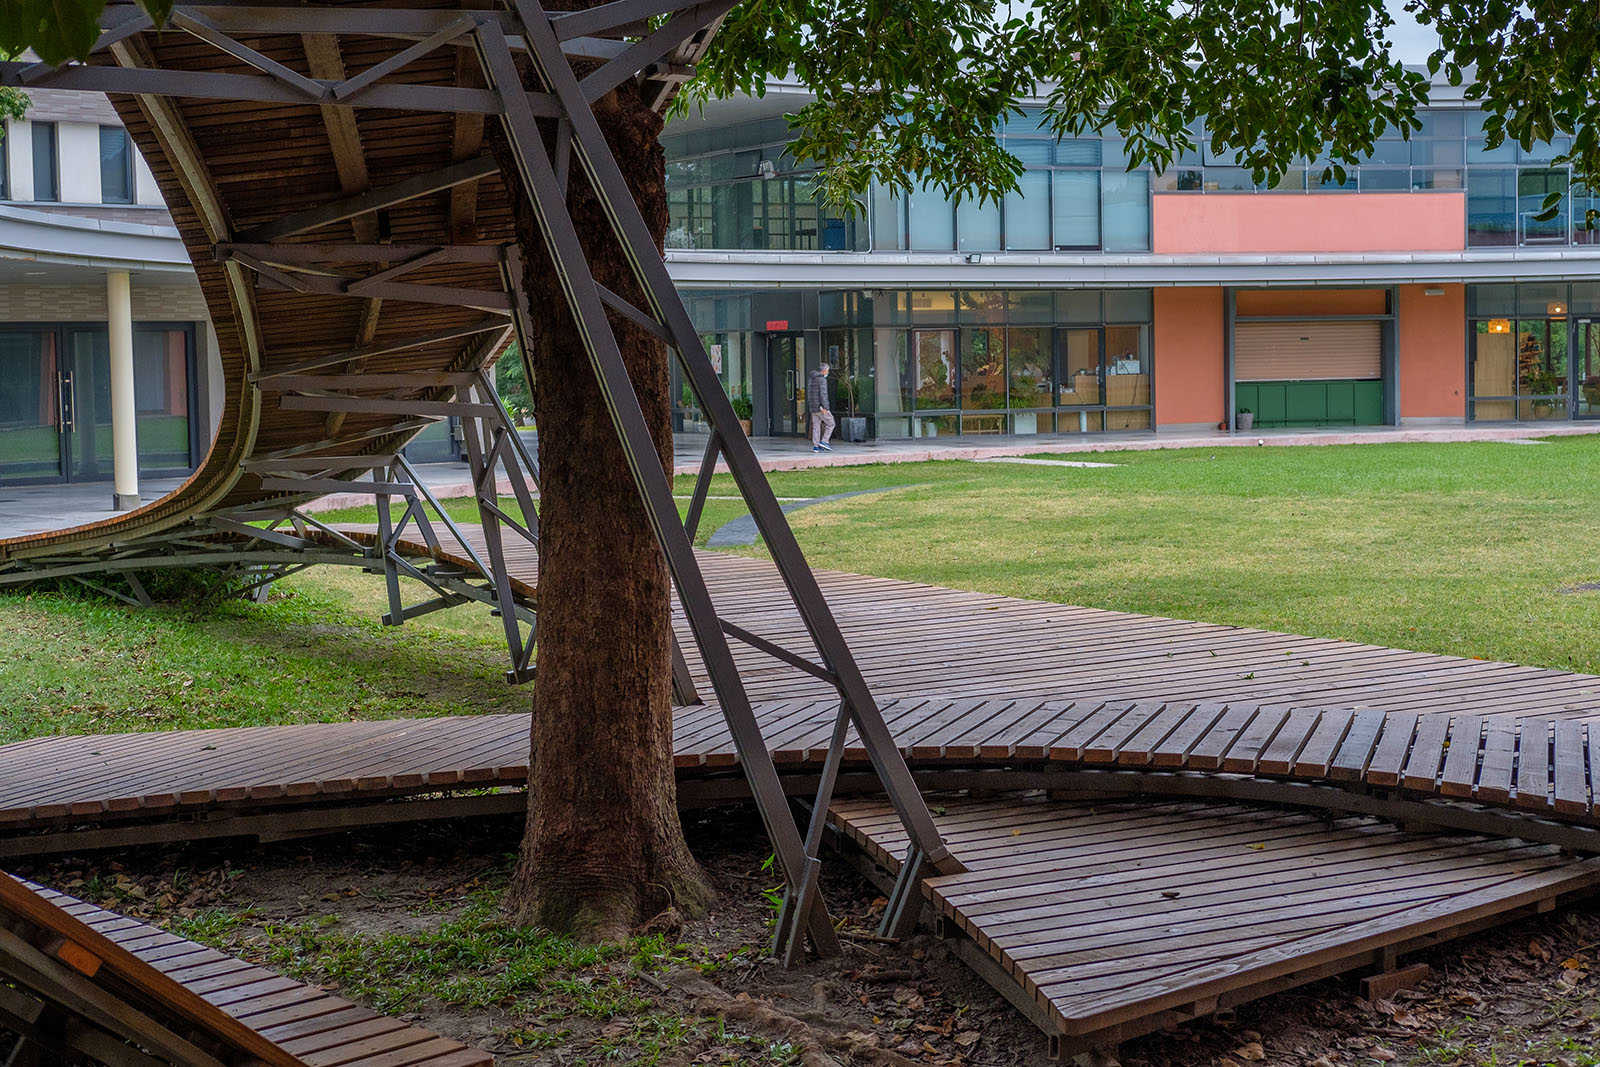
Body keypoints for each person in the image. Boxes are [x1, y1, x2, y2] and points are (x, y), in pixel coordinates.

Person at [807, 362, 835, 452]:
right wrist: (825, 407)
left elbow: (809, 394)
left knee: (816, 426)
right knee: (831, 423)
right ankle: (824, 441)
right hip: (820, 408)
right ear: (824, 371)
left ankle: (816, 446)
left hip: (813, 407)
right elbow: (823, 395)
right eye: (828, 371)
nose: (828, 372)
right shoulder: (822, 380)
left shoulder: (811, 379)